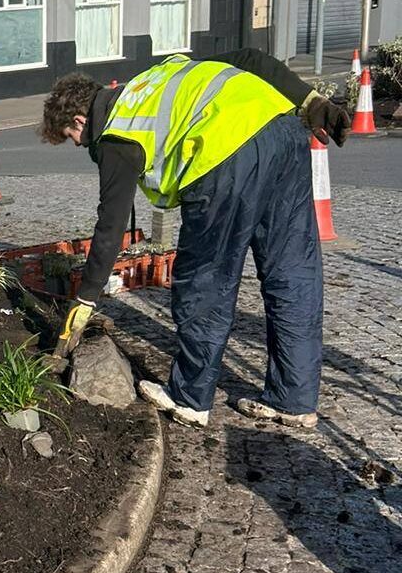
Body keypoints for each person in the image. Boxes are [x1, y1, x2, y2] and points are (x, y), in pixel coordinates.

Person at [42, 49, 351, 430]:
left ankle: (189, 398)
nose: (78, 144)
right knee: (292, 272)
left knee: (205, 279)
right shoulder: (159, 75)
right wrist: (311, 101)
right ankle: (293, 398)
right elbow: (249, 59)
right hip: (285, 131)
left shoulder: (116, 133)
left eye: (72, 137)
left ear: (79, 119)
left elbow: (110, 225)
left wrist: (86, 298)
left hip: (227, 155)